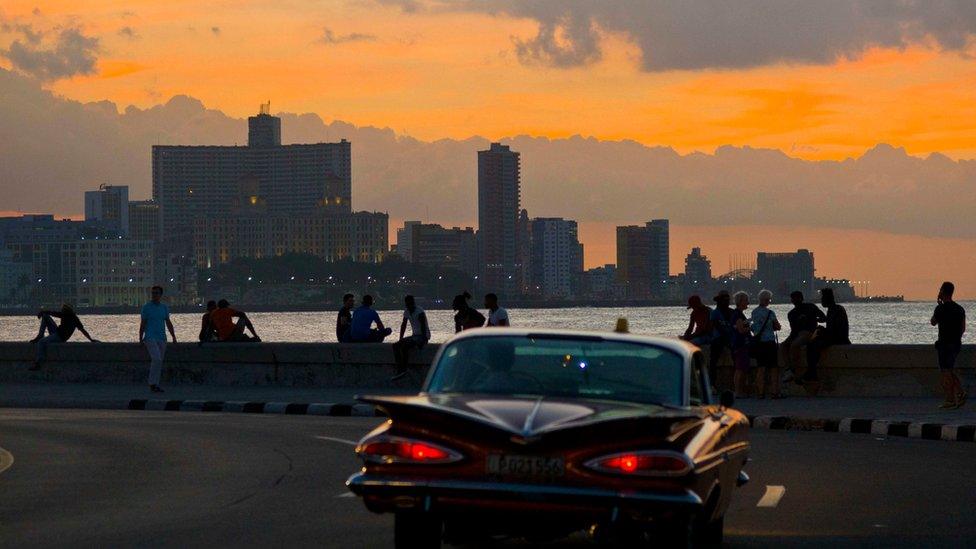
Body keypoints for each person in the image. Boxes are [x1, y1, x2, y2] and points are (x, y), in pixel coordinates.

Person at [801, 288, 850, 384]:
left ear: (827, 299)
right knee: (812, 343)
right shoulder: (832, 310)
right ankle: (811, 372)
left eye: (822, 298)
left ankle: (811, 372)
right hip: (835, 337)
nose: (821, 300)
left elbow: (837, 331)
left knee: (813, 345)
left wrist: (823, 331)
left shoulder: (837, 310)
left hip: (839, 339)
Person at [29, 303, 98, 370]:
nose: (62, 310)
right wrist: (91, 339)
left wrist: (91, 339)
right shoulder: (72, 317)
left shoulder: (68, 316)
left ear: (66, 310)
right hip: (57, 333)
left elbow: (83, 330)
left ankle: (38, 363)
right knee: (45, 316)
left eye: (63, 309)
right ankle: (40, 335)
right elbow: (83, 330)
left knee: (41, 342)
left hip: (59, 337)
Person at [931, 281, 966, 409]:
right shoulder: (960, 309)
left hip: (944, 345)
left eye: (940, 290)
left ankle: (951, 399)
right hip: (956, 344)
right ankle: (960, 393)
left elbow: (933, 322)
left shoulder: (940, 309)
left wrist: (939, 305)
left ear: (942, 292)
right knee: (949, 371)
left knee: (945, 372)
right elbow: (963, 328)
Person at [780, 291, 826, 383]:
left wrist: (812, 319)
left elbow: (823, 318)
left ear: (801, 298)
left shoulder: (810, 307)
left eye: (796, 298)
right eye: (793, 298)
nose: (795, 300)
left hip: (809, 332)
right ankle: (788, 369)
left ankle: (793, 370)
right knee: (783, 346)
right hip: (796, 333)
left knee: (794, 345)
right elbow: (793, 330)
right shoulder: (791, 314)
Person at [139, 286, 177, 393]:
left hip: (162, 338)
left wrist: (173, 336)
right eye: (153, 293)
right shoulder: (146, 307)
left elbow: (168, 322)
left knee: (159, 362)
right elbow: (143, 323)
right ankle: (152, 383)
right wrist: (140, 337)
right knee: (156, 359)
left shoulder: (164, 308)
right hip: (150, 337)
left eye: (156, 293)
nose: (154, 295)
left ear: (161, 295)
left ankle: (156, 384)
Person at [751, 290, 783, 399]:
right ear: (766, 300)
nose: (770, 301)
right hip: (769, 343)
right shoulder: (770, 313)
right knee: (773, 368)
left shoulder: (754, 312)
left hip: (759, 344)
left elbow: (754, 327)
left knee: (761, 368)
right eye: (769, 299)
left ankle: (760, 393)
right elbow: (777, 326)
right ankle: (774, 392)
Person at [391, 295, 431, 381]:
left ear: (413, 303)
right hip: (414, 336)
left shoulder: (419, 311)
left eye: (411, 303)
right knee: (395, 346)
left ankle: (404, 369)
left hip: (422, 336)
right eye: (408, 303)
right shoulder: (407, 312)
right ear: (406, 304)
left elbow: (423, 326)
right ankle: (399, 368)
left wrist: (423, 340)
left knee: (405, 347)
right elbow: (403, 325)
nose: (410, 305)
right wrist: (400, 338)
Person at [707, 290, 735, 391]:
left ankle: (733, 384)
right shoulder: (715, 313)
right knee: (713, 361)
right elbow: (716, 327)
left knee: (734, 359)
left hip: (728, 338)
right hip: (718, 339)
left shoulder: (732, 312)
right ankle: (712, 384)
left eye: (727, 300)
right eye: (724, 300)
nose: (726, 302)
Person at [730, 292, 752, 398]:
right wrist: (751, 327)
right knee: (740, 369)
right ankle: (738, 392)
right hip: (740, 344)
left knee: (741, 368)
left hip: (740, 344)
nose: (748, 302)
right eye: (746, 300)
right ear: (740, 302)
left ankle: (739, 391)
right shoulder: (738, 314)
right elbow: (741, 330)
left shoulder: (738, 314)